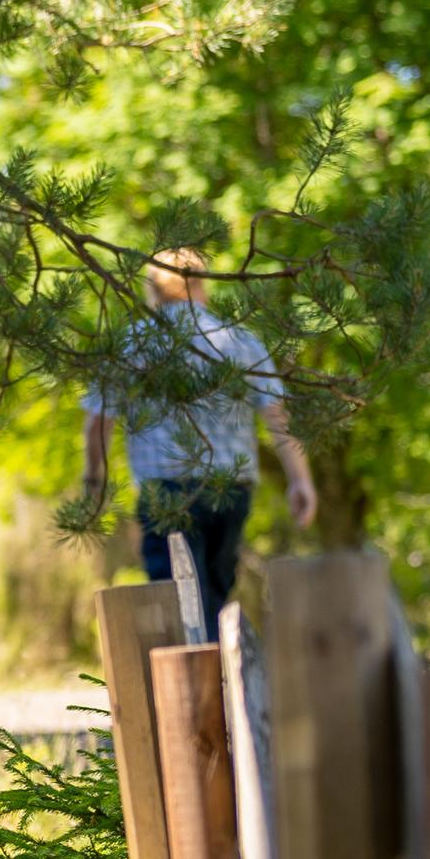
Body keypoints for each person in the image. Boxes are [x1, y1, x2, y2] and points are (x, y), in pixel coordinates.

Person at [83, 248, 318, 631]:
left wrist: (94, 478)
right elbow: (278, 417)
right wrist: (301, 480)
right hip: (231, 490)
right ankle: (223, 681)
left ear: (153, 289)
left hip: (166, 490)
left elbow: (98, 424)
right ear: (202, 285)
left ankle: (197, 684)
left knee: (176, 602)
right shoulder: (239, 340)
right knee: (215, 597)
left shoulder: (131, 345)